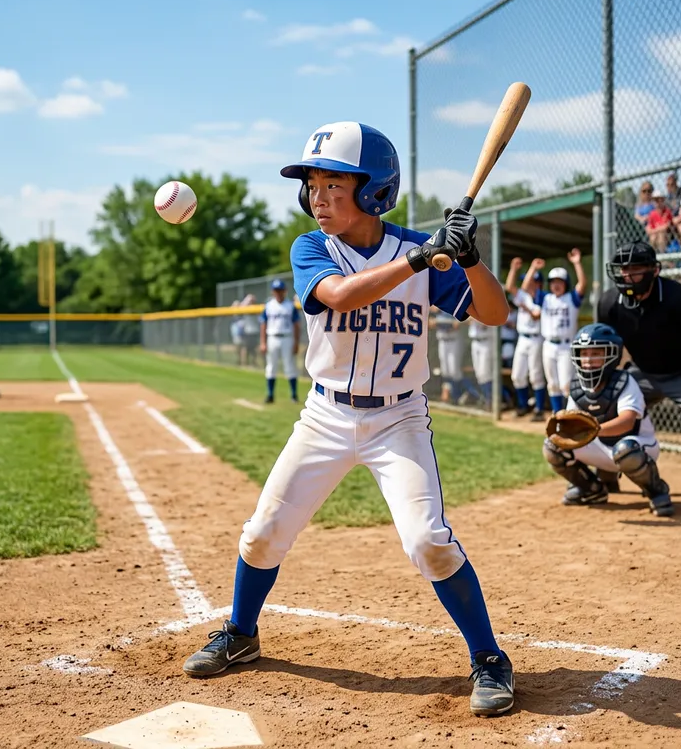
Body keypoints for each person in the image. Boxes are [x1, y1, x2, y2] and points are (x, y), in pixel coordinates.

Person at [182, 121, 516, 717]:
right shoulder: (312, 247)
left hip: (400, 421)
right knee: (262, 533)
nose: (317, 198)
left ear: (373, 191)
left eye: (333, 184)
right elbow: (339, 296)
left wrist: (468, 261)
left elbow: (494, 313)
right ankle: (241, 632)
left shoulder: (424, 247)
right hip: (325, 416)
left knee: (428, 542)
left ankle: (490, 659)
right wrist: (421, 257)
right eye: (311, 185)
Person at [598, 241, 681, 509]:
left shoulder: (680, 297)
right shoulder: (610, 302)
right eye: (623, 269)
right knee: (606, 406)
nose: (627, 276)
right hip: (642, 372)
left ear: (654, 271)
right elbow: (609, 346)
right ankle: (605, 476)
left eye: (635, 269)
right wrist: (607, 385)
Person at [543, 323, 673, 515]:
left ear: (612, 354)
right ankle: (592, 490)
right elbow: (573, 423)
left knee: (625, 449)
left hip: (638, 446)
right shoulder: (578, 387)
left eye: (596, 353)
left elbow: (627, 421)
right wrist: (564, 430)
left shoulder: (624, 382)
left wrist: (594, 430)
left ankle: (656, 490)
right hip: (601, 447)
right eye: (584, 353)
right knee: (552, 446)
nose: (588, 360)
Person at [534, 250, 586, 413]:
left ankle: (571, 414)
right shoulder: (546, 298)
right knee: (553, 384)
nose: (556, 284)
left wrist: (577, 263)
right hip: (548, 345)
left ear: (566, 283)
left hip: (566, 345)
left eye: (560, 281)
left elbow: (583, 284)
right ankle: (558, 414)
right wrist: (533, 270)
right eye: (553, 281)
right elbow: (526, 288)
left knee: (566, 384)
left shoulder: (571, 298)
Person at [505, 257, 547, 420]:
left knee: (536, 375)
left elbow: (536, 316)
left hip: (536, 339)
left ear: (538, 284)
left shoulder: (542, 298)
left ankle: (539, 409)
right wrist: (514, 269)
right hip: (522, 339)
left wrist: (534, 269)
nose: (528, 283)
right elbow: (510, 287)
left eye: (532, 281)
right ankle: (523, 406)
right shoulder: (524, 296)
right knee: (517, 375)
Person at [259, 280, 300, 404]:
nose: (278, 293)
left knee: (290, 366)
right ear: (273, 291)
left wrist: (296, 342)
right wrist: (263, 342)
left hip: (287, 337)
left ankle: (293, 395)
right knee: (271, 366)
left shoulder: (290, 305)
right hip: (272, 337)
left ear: (285, 291)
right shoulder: (269, 305)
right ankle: (270, 395)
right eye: (276, 290)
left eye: (280, 290)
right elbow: (263, 324)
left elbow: (297, 325)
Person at [430, 305, 474, 404]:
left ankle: (469, 393)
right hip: (442, 339)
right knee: (445, 371)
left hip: (454, 339)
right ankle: (454, 397)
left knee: (454, 371)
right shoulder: (438, 302)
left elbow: (463, 318)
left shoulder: (454, 302)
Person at [240, 294, 261, 367]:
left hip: (255, 331)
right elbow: (241, 306)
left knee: (255, 348)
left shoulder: (256, 308)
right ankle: (244, 363)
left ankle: (253, 362)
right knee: (246, 348)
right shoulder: (246, 308)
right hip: (248, 331)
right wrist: (248, 299)